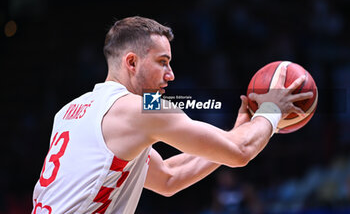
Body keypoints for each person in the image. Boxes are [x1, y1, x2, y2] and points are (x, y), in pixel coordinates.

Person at [32, 16, 313, 214]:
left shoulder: (71, 110)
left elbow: (168, 178)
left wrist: (232, 134)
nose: (171, 75)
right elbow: (240, 152)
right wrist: (272, 110)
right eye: (162, 62)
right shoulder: (141, 109)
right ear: (131, 62)